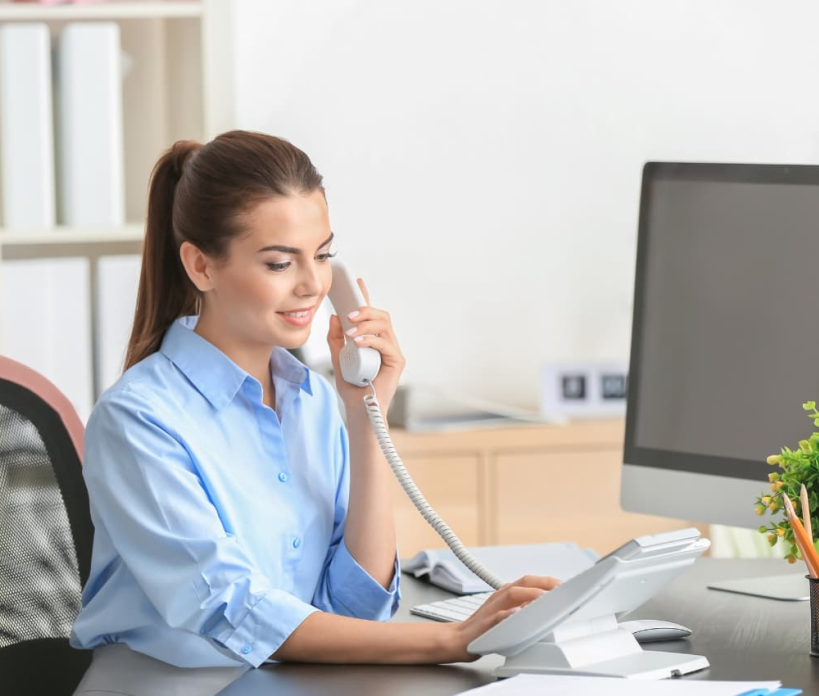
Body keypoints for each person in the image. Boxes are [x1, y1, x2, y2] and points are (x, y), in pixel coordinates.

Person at [69, 130, 558, 672]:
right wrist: (451, 641)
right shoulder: (137, 420)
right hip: (174, 686)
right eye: (280, 263)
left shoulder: (316, 402)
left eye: (323, 256)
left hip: (297, 680)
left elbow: (357, 605)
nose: (313, 285)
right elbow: (233, 611)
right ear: (202, 266)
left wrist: (364, 411)